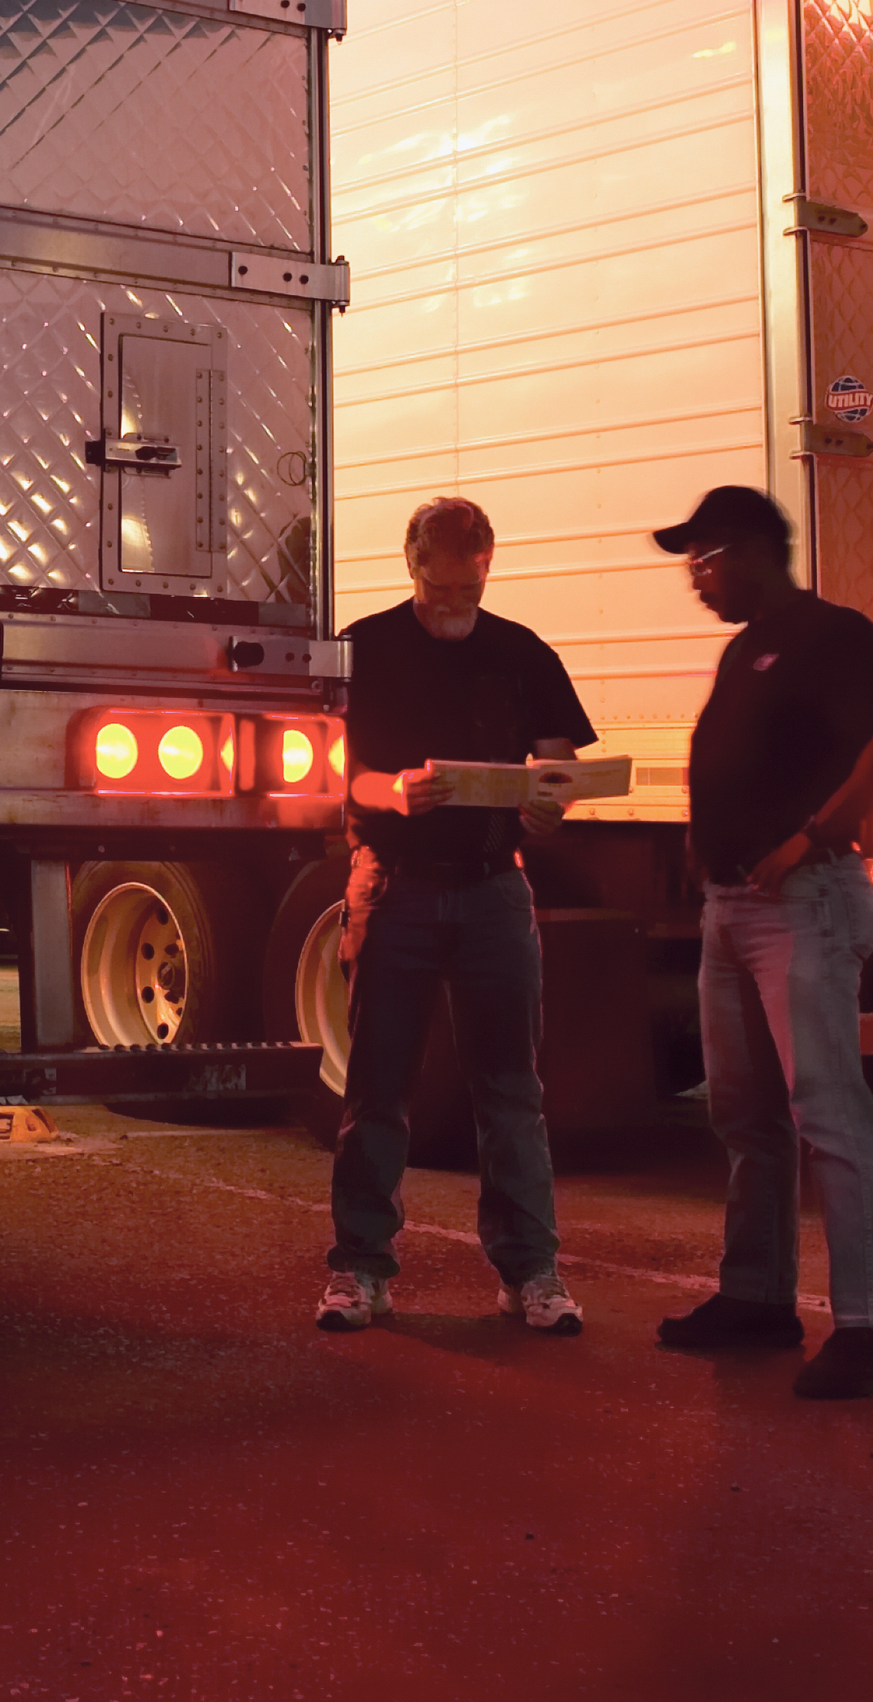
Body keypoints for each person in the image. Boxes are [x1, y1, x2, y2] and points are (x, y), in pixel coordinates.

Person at [645, 485, 873, 1400]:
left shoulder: (829, 635)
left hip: (802, 904)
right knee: (746, 1117)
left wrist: (818, 832)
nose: (695, 581)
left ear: (747, 550)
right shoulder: (747, 650)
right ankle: (758, 1296)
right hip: (733, 909)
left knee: (830, 1113)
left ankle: (869, 1330)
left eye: (701, 560)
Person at [315, 497, 593, 1337]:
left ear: (486, 568)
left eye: (465, 596)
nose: (450, 612)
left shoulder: (522, 652)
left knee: (510, 1087)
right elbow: (335, 774)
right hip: (394, 880)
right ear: (411, 569)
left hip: (492, 886)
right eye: (437, 596)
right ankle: (360, 1270)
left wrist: (551, 805)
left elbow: (558, 764)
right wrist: (390, 791)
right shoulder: (362, 650)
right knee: (379, 1084)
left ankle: (530, 1273)